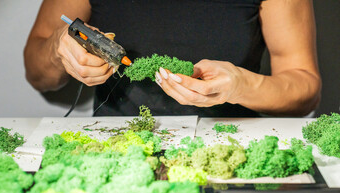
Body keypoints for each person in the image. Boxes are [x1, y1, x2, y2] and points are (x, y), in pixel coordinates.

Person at [24, 0, 321, 117]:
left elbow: (304, 89)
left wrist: (242, 85)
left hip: (229, 144)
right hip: (115, 146)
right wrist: (57, 49)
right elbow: (37, 74)